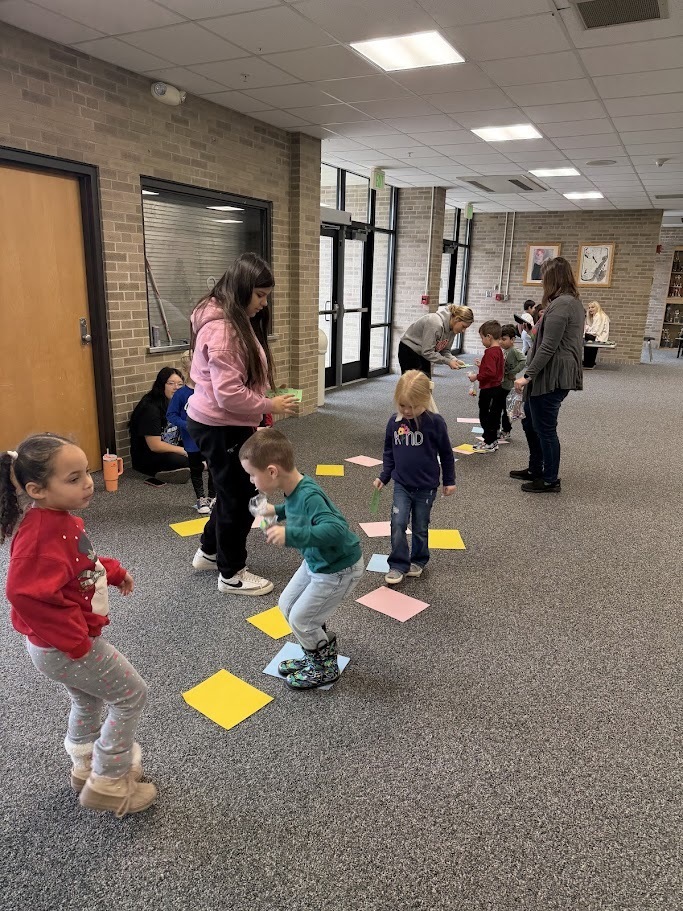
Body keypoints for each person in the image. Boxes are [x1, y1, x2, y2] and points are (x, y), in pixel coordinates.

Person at [1, 434, 156, 817]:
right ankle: (109, 781)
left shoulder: (57, 520)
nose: (88, 483)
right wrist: (75, 640)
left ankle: (85, 766)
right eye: (73, 479)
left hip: (57, 647)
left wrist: (113, 571)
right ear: (37, 490)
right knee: (131, 694)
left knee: (88, 699)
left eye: (86, 472)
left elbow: (80, 561)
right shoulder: (40, 536)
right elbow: (23, 594)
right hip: (63, 646)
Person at [186, 253, 297, 597]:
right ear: (242, 288)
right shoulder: (224, 331)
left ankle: (209, 551)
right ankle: (231, 574)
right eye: (260, 295)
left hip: (222, 423)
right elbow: (229, 396)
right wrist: (268, 405)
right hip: (221, 425)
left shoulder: (229, 316)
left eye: (267, 296)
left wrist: (262, 402)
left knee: (230, 492)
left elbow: (233, 385)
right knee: (240, 497)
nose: (264, 304)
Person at [239, 429, 364, 689]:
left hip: (338, 568)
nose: (251, 481)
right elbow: (295, 508)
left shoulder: (309, 494)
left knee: (302, 620)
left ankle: (324, 668)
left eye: (252, 474)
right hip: (316, 561)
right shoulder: (294, 488)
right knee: (286, 605)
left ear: (272, 471)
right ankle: (313, 654)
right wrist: (276, 510)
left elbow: (337, 529)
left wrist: (290, 534)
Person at [373, 370, 455, 585]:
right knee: (398, 522)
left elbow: (446, 453)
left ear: (425, 401)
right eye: (402, 405)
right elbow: (389, 452)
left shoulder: (435, 423)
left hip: (426, 487)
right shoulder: (394, 423)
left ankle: (418, 559)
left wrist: (449, 480)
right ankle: (398, 563)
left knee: (420, 526)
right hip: (402, 484)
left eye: (413, 406)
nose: (407, 411)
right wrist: (384, 476)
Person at [512, 257, 584, 493]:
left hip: (553, 375)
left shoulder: (563, 305)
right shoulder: (566, 302)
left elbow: (548, 346)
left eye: (544, 277)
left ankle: (550, 479)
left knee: (545, 428)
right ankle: (536, 469)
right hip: (547, 372)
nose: (542, 282)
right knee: (530, 422)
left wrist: (527, 376)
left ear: (553, 278)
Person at [167, 351, 215, 515]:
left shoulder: (208, 390)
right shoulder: (181, 394)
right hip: (192, 440)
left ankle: (213, 497)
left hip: (209, 438)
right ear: (187, 371)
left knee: (214, 467)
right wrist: (186, 424)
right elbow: (171, 415)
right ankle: (201, 497)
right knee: (196, 468)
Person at [129, 367, 190, 483]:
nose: (176, 387)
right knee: (181, 460)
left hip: (172, 446)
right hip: (149, 456)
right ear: (161, 385)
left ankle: (191, 468)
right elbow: (155, 445)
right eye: (171, 383)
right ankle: (199, 466)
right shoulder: (150, 408)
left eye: (180, 384)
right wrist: (183, 450)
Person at [398, 305, 474, 376]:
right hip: (409, 349)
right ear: (457, 319)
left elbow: (445, 350)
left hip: (423, 352)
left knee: (426, 382)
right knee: (412, 383)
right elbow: (427, 352)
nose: (463, 331)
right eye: (463, 326)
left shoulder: (452, 330)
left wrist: (454, 360)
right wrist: (448, 362)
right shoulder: (435, 323)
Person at [467, 320, 505, 453]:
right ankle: (492, 441)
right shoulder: (498, 351)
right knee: (493, 416)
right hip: (497, 388)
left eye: (482, 338)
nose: (482, 341)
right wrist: (482, 366)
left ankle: (489, 442)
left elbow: (490, 373)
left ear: (489, 337)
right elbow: (494, 369)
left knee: (486, 416)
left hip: (489, 390)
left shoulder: (490, 352)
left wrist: (476, 377)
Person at [499, 323, 527, 441]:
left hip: (508, 386)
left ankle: (506, 431)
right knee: (498, 408)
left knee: (506, 411)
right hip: (501, 384)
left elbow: (523, 361)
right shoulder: (503, 350)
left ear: (512, 339)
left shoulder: (514, 350)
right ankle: (499, 429)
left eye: (504, 339)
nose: (501, 342)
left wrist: (513, 372)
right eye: (499, 339)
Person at [583, 301, 610, 369]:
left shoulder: (599, 316)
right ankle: (590, 361)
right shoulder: (597, 316)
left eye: (592, 307)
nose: (590, 309)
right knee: (587, 337)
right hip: (597, 336)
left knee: (582, 336)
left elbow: (596, 331)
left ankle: (588, 363)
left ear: (597, 307)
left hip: (598, 336)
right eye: (589, 308)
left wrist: (586, 330)